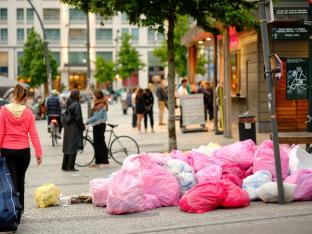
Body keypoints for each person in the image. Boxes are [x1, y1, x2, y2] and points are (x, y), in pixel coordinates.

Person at [0, 84, 43, 215]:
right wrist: (38, 153)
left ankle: (13, 208)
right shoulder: (29, 113)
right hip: (24, 152)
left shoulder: (3, 110)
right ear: (24, 96)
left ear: (13, 95)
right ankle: (21, 207)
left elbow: (0, 132)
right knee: (20, 179)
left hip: (8, 150)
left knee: (11, 180)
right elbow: (33, 134)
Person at [62, 89, 84, 172]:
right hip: (74, 128)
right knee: (73, 147)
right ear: (76, 95)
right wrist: (82, 127)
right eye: (79, 94)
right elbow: (78, 118)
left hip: (68, 128)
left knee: (67, 147)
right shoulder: (76, 104)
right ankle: (70, 166)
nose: (79, 96)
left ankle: (64, 166)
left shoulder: (69, 102)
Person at [86, 90, 109, 168]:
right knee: (96, 144)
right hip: (96, 125)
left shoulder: (101, 105)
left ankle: (105, 162)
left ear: (97, 96)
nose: (93, 96)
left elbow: (96, 117)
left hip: (100, 125)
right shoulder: (97, 103)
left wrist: (86, 122)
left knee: (101, 143)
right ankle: (98, 161)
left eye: (94, 95)